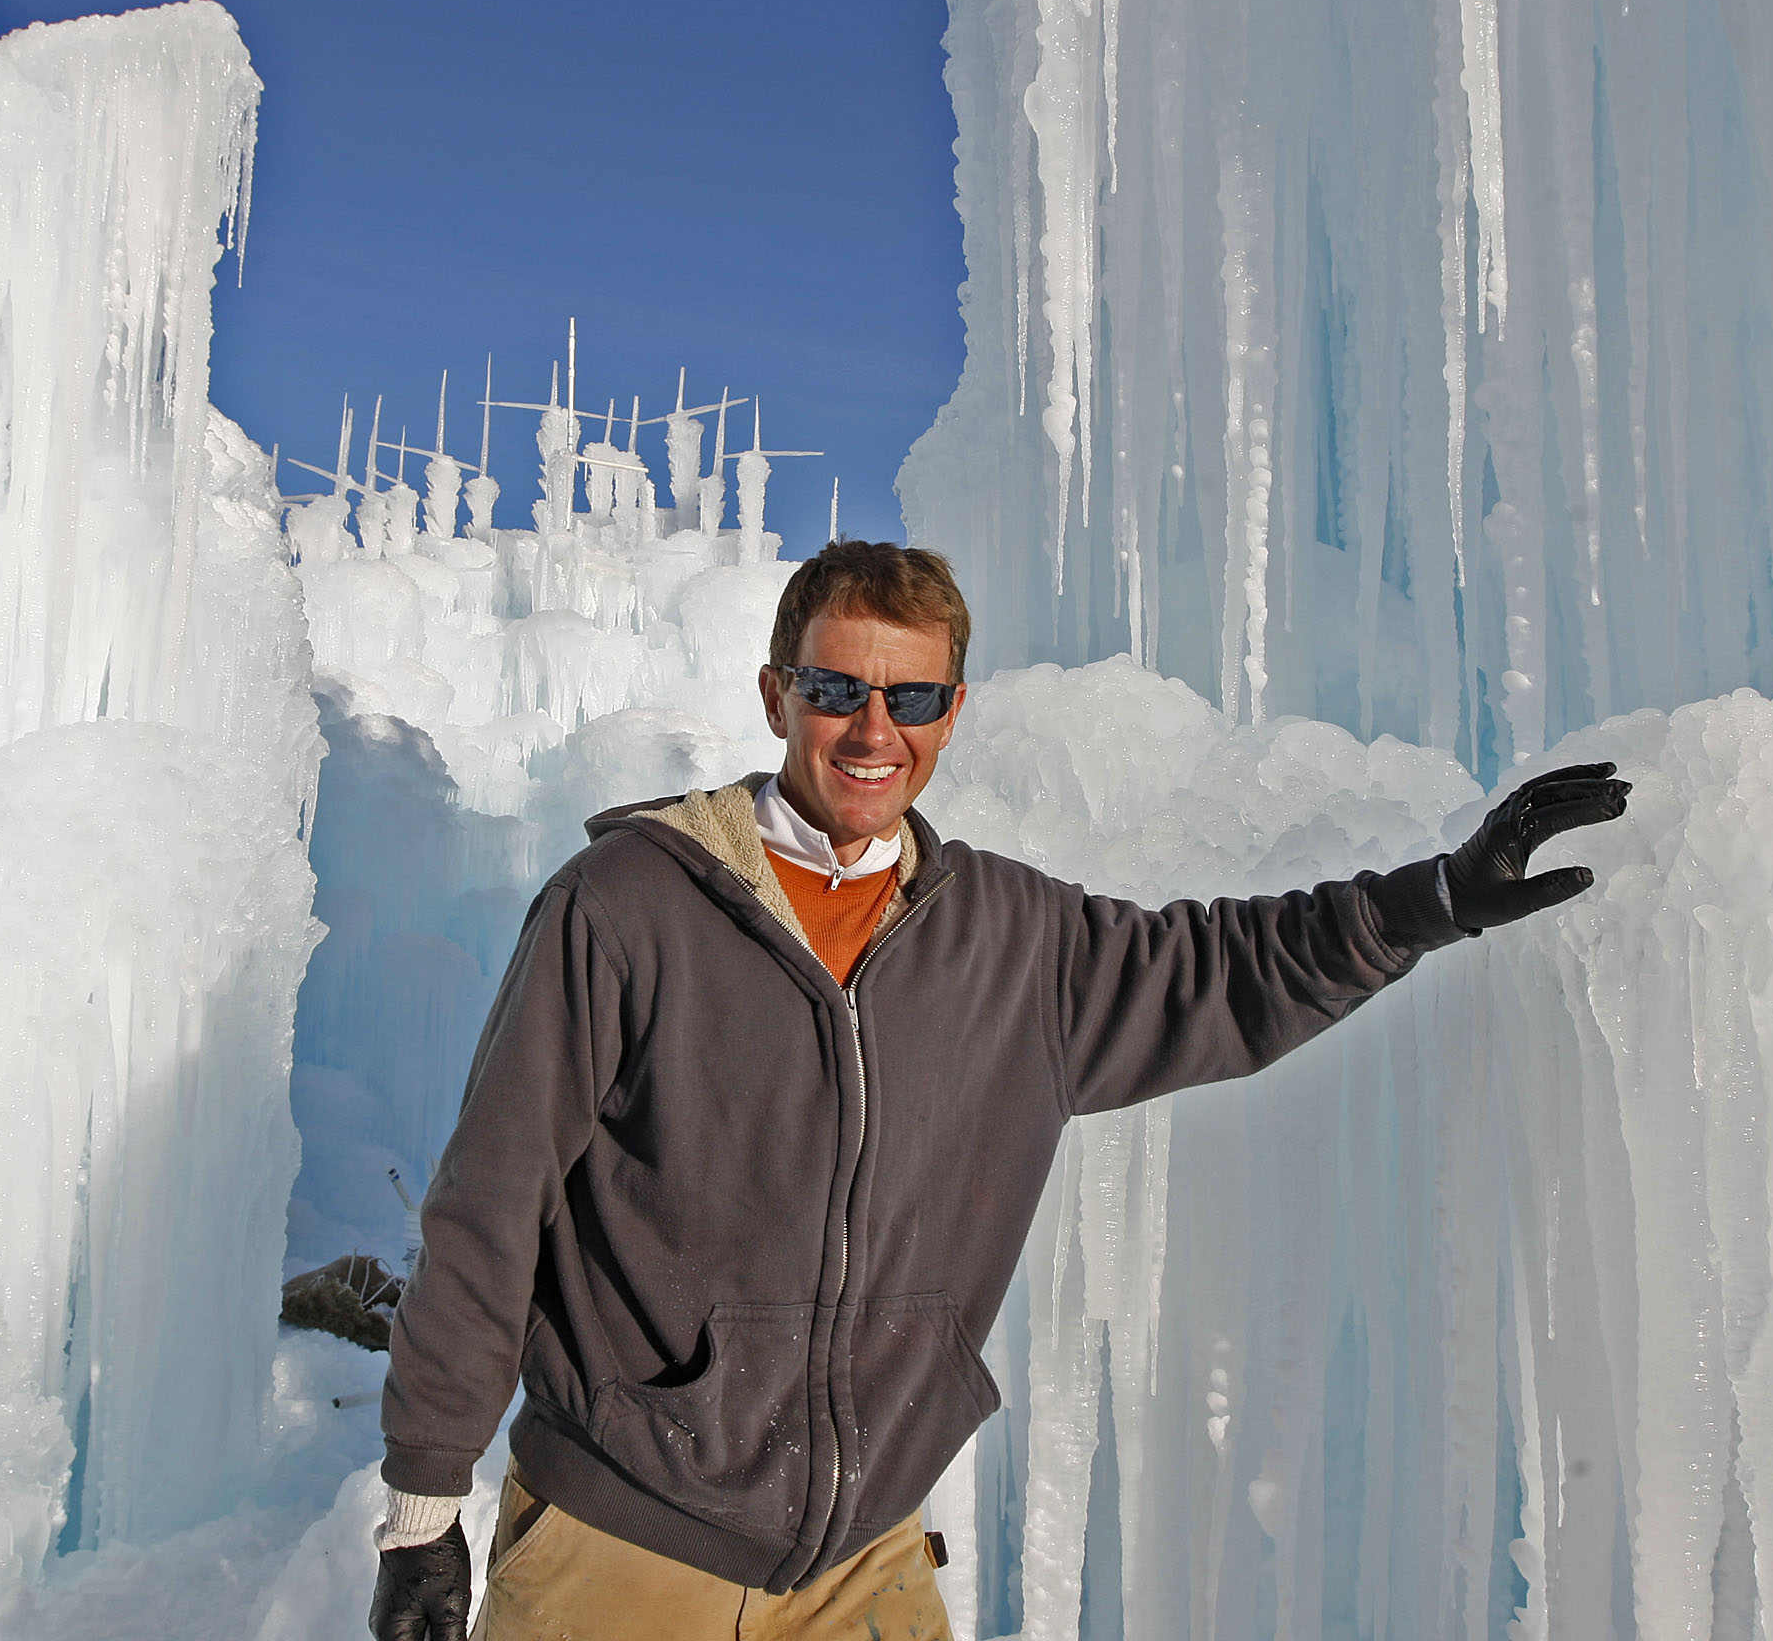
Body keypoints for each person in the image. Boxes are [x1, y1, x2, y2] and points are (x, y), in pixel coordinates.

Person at [367, 542, 1627, 1641]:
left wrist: (1439, 902)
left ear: (952, 711)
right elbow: (493, 1202)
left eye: (910, 695)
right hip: (625, 1550)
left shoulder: (1016, 940)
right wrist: (425, 1504)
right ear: (776, 695)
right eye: (835, 688)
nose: (873, 730)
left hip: (864, 1560)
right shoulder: (628, 907)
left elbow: (1231, 968)